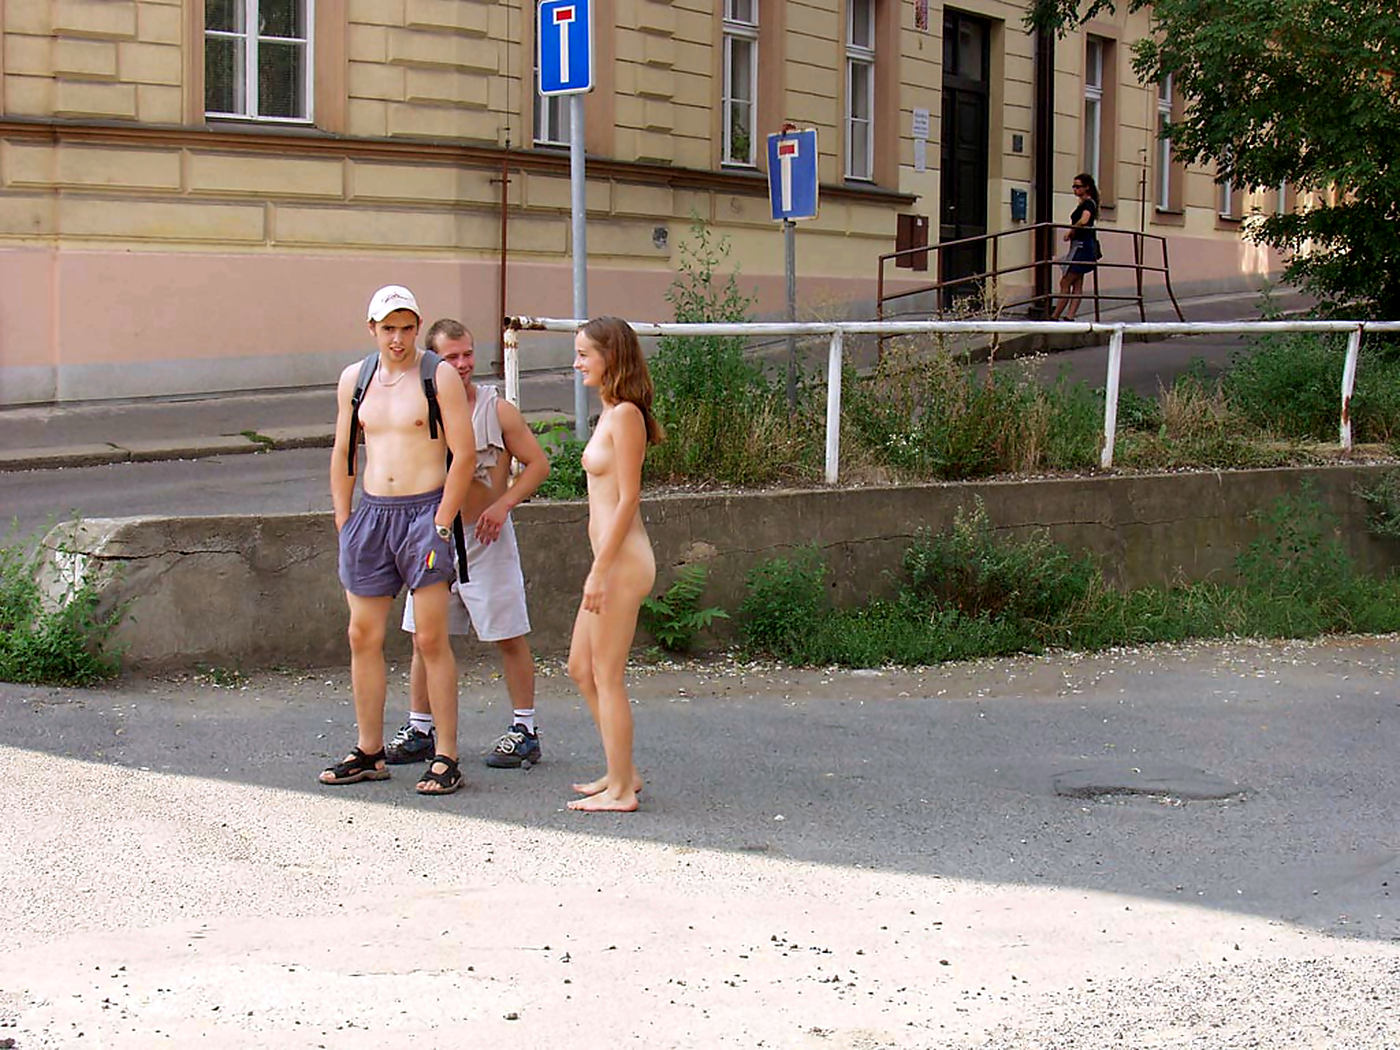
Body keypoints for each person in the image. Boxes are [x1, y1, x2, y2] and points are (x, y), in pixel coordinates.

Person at [321, 285, 475, 796]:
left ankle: (446, 754)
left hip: (424, 513)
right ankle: (369, 750)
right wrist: (344, 519)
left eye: (407, 328)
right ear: (372, 329)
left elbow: (464, 454)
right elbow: (345, 451)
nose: (398, 338)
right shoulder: (356, 379)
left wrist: (442, 521)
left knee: (429, 638)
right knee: (361, 635)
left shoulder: (438, 375)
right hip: (372, 515)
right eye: (389, 328)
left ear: (417, 328)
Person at [387, 319, 551, 769]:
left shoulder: (497, 411)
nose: (462, 364)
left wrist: (504, 505)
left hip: (485, 539)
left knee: (508, 634)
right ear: (433, 360)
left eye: (467, 354)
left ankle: (525, 728)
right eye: (451, 357)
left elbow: (538, 465)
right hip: (436, 539)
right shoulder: (419, 408)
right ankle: (420, 727)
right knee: (424, 637)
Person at [565, 316, 664, 813]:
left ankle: (622, 791)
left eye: (585, 354)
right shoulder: (610, 411)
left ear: (611, 357)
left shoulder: (626, 415)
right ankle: (621, 770)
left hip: (621, 563)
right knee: (580, 668)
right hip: (609, 560)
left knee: (607, 675)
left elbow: (628, 499)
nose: (577, 363)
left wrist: (599, 570)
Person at [1051, 172, 1101, 321]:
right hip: (1082, 245)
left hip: (1082, 246)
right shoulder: (1086, 203)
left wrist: (1071, 231)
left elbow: (1084, 220)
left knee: (1066, 281)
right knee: (1077, 282)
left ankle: (1055, 316)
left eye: (1078, 186)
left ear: (1087, 187)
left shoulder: (1088, 204)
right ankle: (1069, 316)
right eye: (1073, 186)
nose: (1075, 189)